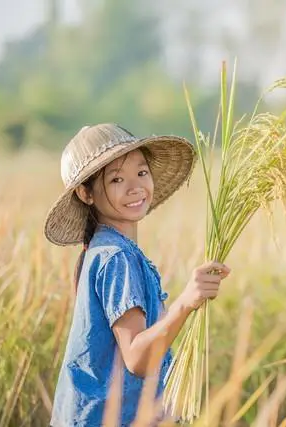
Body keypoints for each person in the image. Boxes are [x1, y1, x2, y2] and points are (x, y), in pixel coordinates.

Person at [44, 123, 231, 426]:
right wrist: (186, 301)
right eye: (116, 179)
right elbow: (138, 358)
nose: (135, 187)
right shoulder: (116, 257)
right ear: (85, 193)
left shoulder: (105, 250)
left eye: (141, 173)